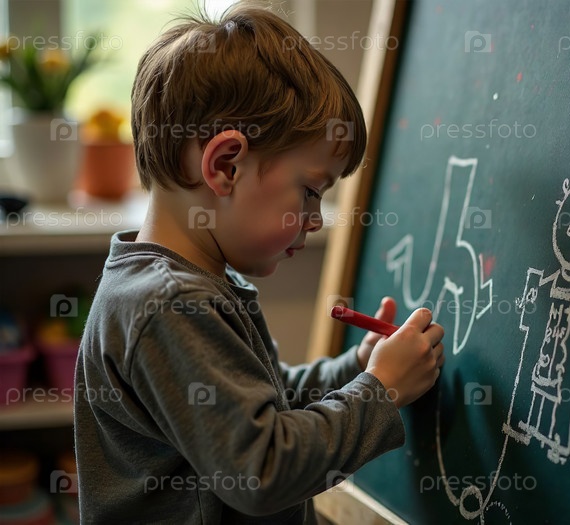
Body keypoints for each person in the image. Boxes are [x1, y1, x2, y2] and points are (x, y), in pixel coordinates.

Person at [73, 2, 445, 523]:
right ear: (226, 165)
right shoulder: (169, 304)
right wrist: (381, 391)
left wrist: (357, 368)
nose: (314, 220)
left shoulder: (190, 285)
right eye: (311, 191)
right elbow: (261, 468)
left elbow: (265, 400)